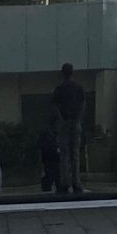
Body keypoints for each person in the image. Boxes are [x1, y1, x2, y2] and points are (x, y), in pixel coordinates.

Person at [52, 62, 85, 194]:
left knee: (64, 154)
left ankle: (65, 183)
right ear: (72, 72)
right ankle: (76, 183)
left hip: (64, 122)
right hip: (76, 122)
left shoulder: (60, 88)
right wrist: (78, 118)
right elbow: (83, 104)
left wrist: (61, 119)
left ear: (63, 73)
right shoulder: (79, 87)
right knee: (75, 153)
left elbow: (55, 106)